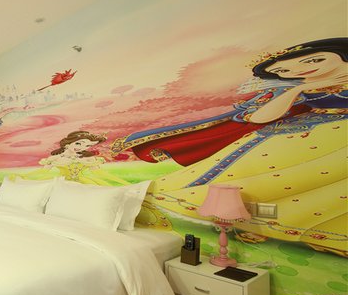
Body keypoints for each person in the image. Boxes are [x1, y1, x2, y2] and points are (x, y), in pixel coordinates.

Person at [113, 38, 347, 254]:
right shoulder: (295, 89)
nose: (299, 71)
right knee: (276, 181)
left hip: (332, 139)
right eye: (284, 71)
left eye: (315, 60)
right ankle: (261, 225)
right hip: (295, 136)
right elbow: (260, 117)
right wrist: (297, 89)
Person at [39, 130, 127, 185]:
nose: (81, 147)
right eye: (78, 143)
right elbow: (42, 172)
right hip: (62, 183)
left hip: (84, 182)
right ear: (68, 143)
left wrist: (124, 183)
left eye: (87, 146)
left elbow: (100, 173)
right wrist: (29, 180)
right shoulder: (55, 158)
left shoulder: (89, 159)